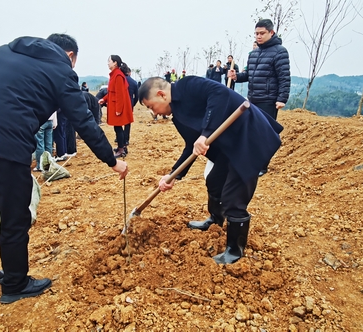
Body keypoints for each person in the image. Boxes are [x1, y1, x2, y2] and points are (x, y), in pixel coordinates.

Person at [0, 34, 128, 304]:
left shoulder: (0, 51)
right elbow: (84, 120)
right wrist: (112, 160)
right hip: (3, 142)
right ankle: (16, 282)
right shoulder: (60, 70)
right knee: (14, 214)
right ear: (70, 56)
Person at [139, 75, 282, 264]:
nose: (154, 113)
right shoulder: (178, 114)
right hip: (229, 147)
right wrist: (174, 174)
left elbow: (220, 93)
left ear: (161, 94)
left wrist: (205, 133)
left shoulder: (187, 85)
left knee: (233, 197)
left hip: (248, 139)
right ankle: (215, 220)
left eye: (151, 107)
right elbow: (191, 144)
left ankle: (234, 250)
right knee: (215, 181)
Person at [227, 18, 291, 176]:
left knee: (265, 134)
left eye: (262, 33)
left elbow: (284, 77)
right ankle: (251, 161)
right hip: (252, 99)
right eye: (256, 34)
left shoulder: (279, 52)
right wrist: (236, 76)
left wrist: (282, 98)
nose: (258, 36)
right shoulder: (254, 54)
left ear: (271, 32)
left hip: (268, 100)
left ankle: (262, 166)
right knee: (250, 132)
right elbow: (249, 75)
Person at [98, 55, 133, 158]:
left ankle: (121, 149)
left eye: (109, 61)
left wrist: (118, 109)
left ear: (115, 63)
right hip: (114, 106)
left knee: (118, 128)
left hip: (117, 108)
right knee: (117, 128)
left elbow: (120, 94)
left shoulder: (118, 75)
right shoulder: (114, 75)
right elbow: (112, 92)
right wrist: (104, 99)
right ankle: (121, 147)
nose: (108, 63)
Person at [121, 63, 138, 154]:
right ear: (129, 72)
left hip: (121, 104)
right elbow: (137, 96)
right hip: (129, 104)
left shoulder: (121, 80)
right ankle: (126, 139)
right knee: (127, 123)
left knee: (119, 122)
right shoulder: (134, 82)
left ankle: (119, 138)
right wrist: (132, 104)